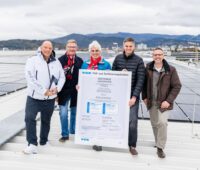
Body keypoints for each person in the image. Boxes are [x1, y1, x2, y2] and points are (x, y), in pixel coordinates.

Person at [23, 41, 65, 154]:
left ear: (52, 49)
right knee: (29, 119)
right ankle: (32, 144)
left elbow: (62, 77)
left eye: (49, 48)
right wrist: (43, 91)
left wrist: (57, 89)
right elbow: (30, 78)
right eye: (45, 47)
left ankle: (44, 141)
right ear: (41, 48)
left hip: (50, 99)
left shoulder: (56, 62)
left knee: (46, 120)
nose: (47, 50)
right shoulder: (32, 60)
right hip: (34, 98)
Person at [142, 48, 182, 158]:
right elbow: (144, 84)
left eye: (160, 54)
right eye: (155, 55)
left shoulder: (171, 70)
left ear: (163, 56)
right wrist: (144, 97)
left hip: (164, 103)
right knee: (155, 123)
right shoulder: (148, 68)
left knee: (163, 123)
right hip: (151, 101)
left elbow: (177, 86)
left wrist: (168, 101)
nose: (157, 56)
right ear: (152, 56)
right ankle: (157, 142)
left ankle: (160, 147)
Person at [112, 37, 145, 156]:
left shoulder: (139, 60)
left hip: (132, 97)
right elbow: (112, 74)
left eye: (130, 46)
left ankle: (132, 145)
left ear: (134, 47)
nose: (128, 48)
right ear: (123, 46)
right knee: (117, 119)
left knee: (132, 121)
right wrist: (120, 73)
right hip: (119, 96)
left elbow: (140, 80)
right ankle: (118, 139)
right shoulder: (117, 58)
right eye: (126, 46)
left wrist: (134, 97)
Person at [81, 40, 111, 151]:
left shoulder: (106, 64)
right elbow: (82, 79)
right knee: (92, 118)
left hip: (101, 95)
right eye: (92, 50)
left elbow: (110, 80)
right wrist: (79, 86)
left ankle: (99, 141)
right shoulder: (85, 64)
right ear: (90, 52)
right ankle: (92, 138)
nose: (95, 52)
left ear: (100, 51)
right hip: (89, 95)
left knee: (101, 118)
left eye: (97, 50)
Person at [57, 39, 83, 142]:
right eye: (70, 47)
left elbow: (84, 76)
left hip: (75, 91)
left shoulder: (80, 61)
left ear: (76, 48)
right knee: (63, 113)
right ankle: (65, 134)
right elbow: (56, 77)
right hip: (63, 91)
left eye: (73, 47)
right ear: (66, 48)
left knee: (74, 112)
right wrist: (56, 94)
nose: (72, 48)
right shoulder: (60, 61)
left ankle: (73, 130)